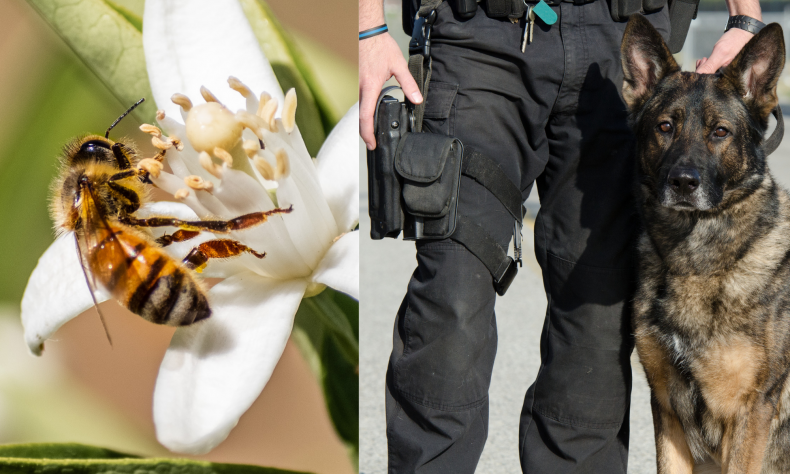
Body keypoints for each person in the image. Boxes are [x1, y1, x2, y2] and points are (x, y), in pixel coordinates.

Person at [359, 0, 761, 471]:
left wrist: (745, 17)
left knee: (598, 319)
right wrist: (368, 29)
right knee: (452, 293)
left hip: (622, 39)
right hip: (481, 39)